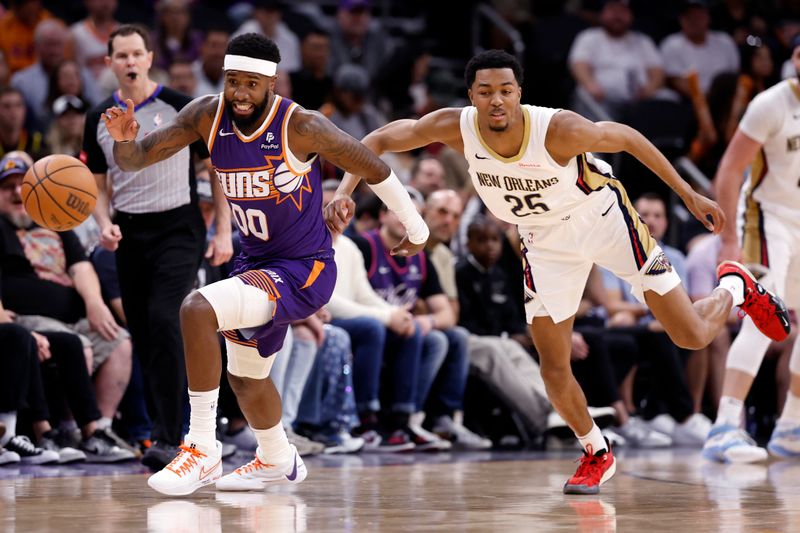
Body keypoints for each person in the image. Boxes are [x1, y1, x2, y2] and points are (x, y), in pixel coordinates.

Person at [325, 49, 791, 495]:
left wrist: (688, 194)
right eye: (485, 91)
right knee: (553, 366)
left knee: (690, 335)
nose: (497, 100)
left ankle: (735, 285)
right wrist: (345, 190)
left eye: (506, 90)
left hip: (602, 219)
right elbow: (377, 140)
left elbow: (627, 136)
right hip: (543, 241)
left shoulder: (556, 129)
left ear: (519, 92)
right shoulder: (456, 126)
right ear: (471, 96)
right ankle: (595, 450)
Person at [100, 32, 428, 495]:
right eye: (232, 81)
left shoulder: (303, 125)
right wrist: (122, 142)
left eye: (251, 84)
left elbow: (375, 166)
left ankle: (200, 447)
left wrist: (417, 230)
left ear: (270, 84)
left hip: (304, 268)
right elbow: (136, 160)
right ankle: (276, 457)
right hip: (255, 264)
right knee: (246, 379)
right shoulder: (205, 114)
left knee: (197, 308)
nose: (239, 93)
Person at [82, 24, 233, 470]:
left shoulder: (181, 107)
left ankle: (174, 437)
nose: (129, 62)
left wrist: (221, 231)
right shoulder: (98, 118)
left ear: (150, 58)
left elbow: (216, 171)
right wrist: (103, 224)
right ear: (109, 63)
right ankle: (164, 432)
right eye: (120, 56)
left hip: (178, 227)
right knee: (147, 335)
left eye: (136, 54)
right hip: (129, 231)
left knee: (168, 322)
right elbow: (96, 185)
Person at [702, 47, 800, 464]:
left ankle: (792, 428)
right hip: (766, 217)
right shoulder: (771, 103)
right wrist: (726, 239)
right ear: (797, 58)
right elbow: (728, 169)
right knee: (764, 314)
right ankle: (725, 425)